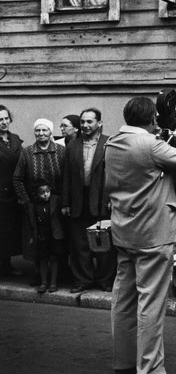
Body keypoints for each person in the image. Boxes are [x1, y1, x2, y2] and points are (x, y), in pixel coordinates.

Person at [104, 97, 176, 374]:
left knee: (123, 299)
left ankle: (123, 362)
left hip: (124, 231)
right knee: (151, 304)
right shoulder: (151, 146)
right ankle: (151, 372)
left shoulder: (113, 143)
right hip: (154, 234)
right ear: (151, 121)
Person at [62, 108, 113, 292]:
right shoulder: (73, 145)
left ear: (99, 123)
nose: (85, 125)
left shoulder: (110, 144)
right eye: (82, 122)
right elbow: (66, 175)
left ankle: (105, 280)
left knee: (103, 243)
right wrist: (66, 203)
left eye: (89, 122)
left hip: (101, 200)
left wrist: (112, 199)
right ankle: (82, 280)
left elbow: (115, 175)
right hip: (78, 201)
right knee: (79, 244)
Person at [13, 118, 66, 274]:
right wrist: (26, 200)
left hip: (56, 205)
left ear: (50, 132)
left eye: (44, 130)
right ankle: (39, 274)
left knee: (57, 237)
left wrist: (64, 200)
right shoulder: (27, 152)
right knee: (37, 238)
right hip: (35, 205)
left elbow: (67, 177)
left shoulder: (61, 151)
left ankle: (60, 274)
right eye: (38, 130)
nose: (41, 133)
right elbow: (17, 178)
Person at [29, 181, 65, 293]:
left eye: (47, 191)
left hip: (54, 234)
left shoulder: (56, 200)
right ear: (37, 194)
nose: (45, 194)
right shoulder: (34, 204)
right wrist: (33, 236)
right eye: (42, 193)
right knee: (43, 259)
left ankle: (53, 283)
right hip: (42, 235)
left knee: (54, 258)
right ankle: (43, 283)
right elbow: (32, 222)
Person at [0, 105, 24, 276]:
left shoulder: (15, 139)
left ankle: (6, 266)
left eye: (6, 118)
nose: (4, 122)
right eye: (0, 119)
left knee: (9, 231)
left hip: (13, 193)